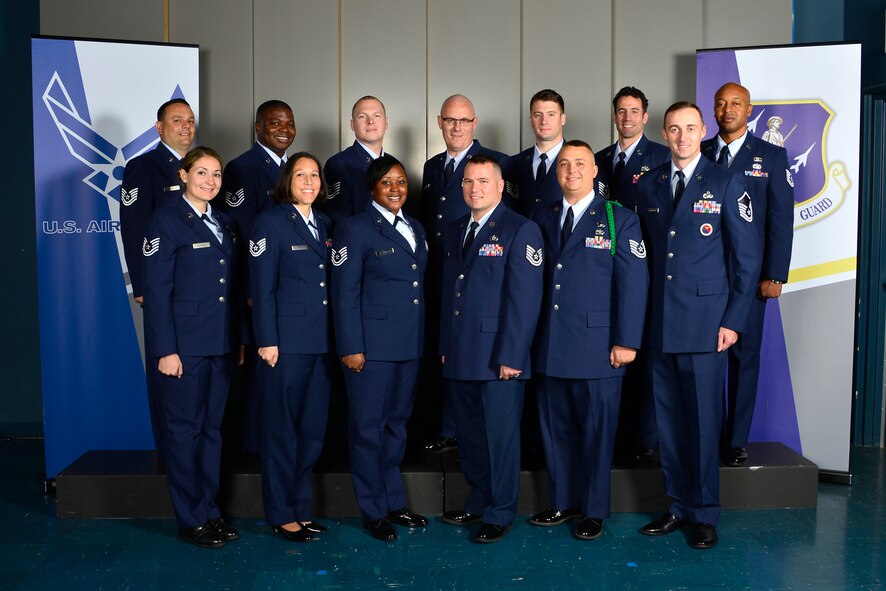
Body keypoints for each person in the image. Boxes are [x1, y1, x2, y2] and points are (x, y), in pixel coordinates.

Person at [636, 102, 761, 549]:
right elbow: (641, 261)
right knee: (669, 424)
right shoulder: (648, 185)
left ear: (703, 130)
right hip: (661, 326)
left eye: (690, 128)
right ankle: (677, 505)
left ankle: (705, 512)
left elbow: (747, 262)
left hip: (708, 327)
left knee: (705, 424)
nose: (682, 137)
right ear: (664, 133)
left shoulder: (727, 182)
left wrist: (733, 320)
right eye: (673, 129)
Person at [529, 140, 649, 540]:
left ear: (595, 170)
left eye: (580, 163)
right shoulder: (542, 217)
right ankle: (562, 501)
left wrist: (626, 340)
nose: (571, 171)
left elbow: (634, 284)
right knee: (555, 429)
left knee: (597, 433)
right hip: (549, 345)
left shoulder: (619, 219)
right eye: (563, 164)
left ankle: (594, 509)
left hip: (599, 347)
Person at [142, 146, 245, 549]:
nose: (210, 181)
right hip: (182, 350)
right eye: (202, 173)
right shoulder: (165, 221)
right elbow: (157, 291)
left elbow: (230, 292)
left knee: (211, 431)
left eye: (217, 175)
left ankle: (210, 510)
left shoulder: (224, 222)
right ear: (183, 175)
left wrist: (236, 340)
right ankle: (190, 518)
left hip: (218, 345)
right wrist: (166, 351)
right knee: (184, 433)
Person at [438, 155, 544, 544]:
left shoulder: (521, 230)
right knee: (470, 437)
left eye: (483, 181)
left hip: (500, 356)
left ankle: (500, 512)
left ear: (500, 186)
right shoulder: (454, 230)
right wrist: (446, 345)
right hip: (462, 352)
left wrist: (513, 356)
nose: (474, 188)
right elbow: (450, 292)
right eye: (467, 181)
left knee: (500, 438)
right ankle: (479, 500)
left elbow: (525, 300)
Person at [331, 155, 430, 542]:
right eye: (387, 182)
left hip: (408, 346)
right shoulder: (353, 229)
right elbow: (344, 295)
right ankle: (373, 509)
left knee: (396, 427)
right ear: (372, 187)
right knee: (368, 430)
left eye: (401, 182)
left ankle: (393, 502)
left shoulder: (415, 227)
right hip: (370, 350)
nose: (396, 189)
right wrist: (351, 346)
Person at [701, 83, 794, 467]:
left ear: (749, 109)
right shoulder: (701, 152)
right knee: (705, 360)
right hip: (703, 279)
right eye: (721, 103)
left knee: (744, 357)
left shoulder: (770, 156)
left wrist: (775, 273)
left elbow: (781, 219)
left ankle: (736, 440)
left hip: (750, 278)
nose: (727, 109)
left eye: (735, 103)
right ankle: (705, 437)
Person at [421, 94, 517, 455]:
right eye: (450, 120)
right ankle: (449, 427)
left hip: (484, 276)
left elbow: (508, 225)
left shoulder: (498, 164)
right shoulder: (433, 167)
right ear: (439, 123)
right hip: (443, 275)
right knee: (448, 355)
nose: (456, 127)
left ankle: (459, 432)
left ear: (475, 123)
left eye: (463, 121)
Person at [249, 152, 333, 543]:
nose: (309, 181)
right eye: (301, 174)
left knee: (311, 433)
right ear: (287, 180)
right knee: (282, 432)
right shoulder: (270, 223)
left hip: (320, 345)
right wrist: (266, 339)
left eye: (314, 175)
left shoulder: (325, 224)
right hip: (283, 345)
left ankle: (300, 508)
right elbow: (261, 287)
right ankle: (281, 513)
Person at [217, 99, 297, 456]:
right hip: (258, 289)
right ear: (258, 128)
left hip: (293, 290)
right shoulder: (242, 168)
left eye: (288, 123)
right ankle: (252, 449)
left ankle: (277, 443)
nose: (283, 129)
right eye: (274, 123)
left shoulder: (295, 169)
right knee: (255, 373)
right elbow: (240, 232)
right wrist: (250, 289)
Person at [595, 86, 670, 463]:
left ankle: (646, 439)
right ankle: (619, 434)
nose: (627, 117)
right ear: (614, 116)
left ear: (645, 115)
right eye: (621, 111)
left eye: (634, 111)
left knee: (645, 358)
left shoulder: (661, 155)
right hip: (602, 270)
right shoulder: (599, 159)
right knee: (611, 352)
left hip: (649, 268)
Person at [120, 98, 196, 453]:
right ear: (159, 127)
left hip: (198, 291)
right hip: (161, 289)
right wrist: (142, 286)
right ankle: (168, 453)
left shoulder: (199, 167)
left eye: (190, 121)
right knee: (166, 372)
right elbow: (134, 230)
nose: (185, 127)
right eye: (177, 120)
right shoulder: (143, 167)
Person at [321, 96, 392, 223]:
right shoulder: (338, 164)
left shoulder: (395, 165)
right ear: (352, 124)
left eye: (377, 115)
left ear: (386, 122)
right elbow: (335, 220)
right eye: (362, 116)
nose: (370, 121)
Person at [512, 89, 567, 217]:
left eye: (551, 114)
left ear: (563, 119)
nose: (544, 121)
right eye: (538, 115)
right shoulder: (514, 163)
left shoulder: (579, 162)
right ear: (531, 120)